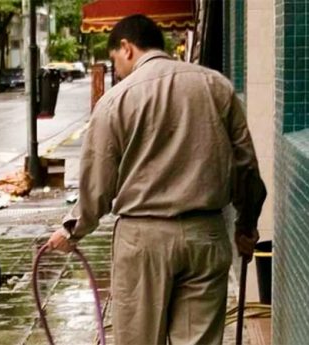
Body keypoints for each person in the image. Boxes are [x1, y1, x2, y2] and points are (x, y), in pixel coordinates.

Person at [46, 14, 266, 345]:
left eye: (114, 60)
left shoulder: (115, 101)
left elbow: (98, 183)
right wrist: (246, 226)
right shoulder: (216, 87)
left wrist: (72, 229)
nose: (116, 69)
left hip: (142, 240)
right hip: (205, 234)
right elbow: (246, 166)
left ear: (127, 47)